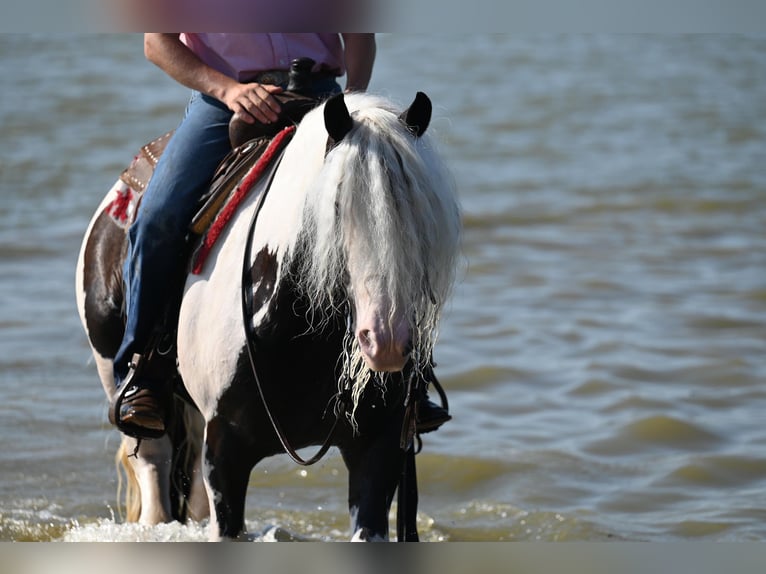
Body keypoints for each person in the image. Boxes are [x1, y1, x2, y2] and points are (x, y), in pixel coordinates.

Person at [111, 33, 450, 440]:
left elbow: (359, 35)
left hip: (327, 103)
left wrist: (354, 104)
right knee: (158, 217)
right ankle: (142, 372)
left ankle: (412, 374)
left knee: (397, 207)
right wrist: (230, 89)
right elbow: (157, 42)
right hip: (226, 103)